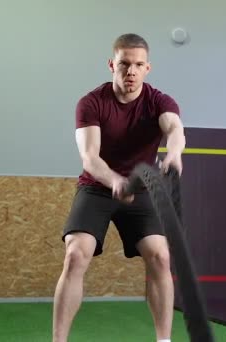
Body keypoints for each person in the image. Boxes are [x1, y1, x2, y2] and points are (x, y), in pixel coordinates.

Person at [52, 33, 185, 342]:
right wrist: (114, 181)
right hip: (97, 188)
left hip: (140, 192)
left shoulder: (159, 101)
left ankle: (163, 340)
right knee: (75, 255)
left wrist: (174, 153)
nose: (131, 72)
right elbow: (89, 157)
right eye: (124, 64)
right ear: (112, 64)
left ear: (148, 68)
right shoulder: (91, 103)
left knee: (160, 257)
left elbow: (175, 128)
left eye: (138, 65)